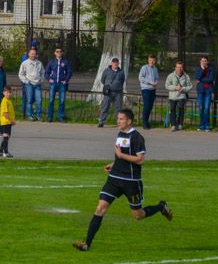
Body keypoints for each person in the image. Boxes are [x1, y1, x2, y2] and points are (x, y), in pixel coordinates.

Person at [73, 108, 173, 252]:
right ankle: (86, 244)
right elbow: (121, 154)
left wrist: (120, 156)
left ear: (129, 121)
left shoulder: (137, 137)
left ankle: (161, 207)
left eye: (121, 119)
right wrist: (114, 163)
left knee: (138, 215)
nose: (118, 121)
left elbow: (140, 160)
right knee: (100, 208)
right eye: (118, 118)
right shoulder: (120, 134)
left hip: (130, 181)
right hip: (114, 178)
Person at [97, 57, 125, 127]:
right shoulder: (106, 71)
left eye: (117, 63)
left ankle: (119, 123)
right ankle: (101, 122)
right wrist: (108, 85)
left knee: (118, 108)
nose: (115, 64)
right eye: (114, 63)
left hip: (118, 92)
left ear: (118, 63)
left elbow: (122, 80)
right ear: (112, 63)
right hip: (108, 92)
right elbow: (102, 80)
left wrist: (118, 86)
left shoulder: (121, 72)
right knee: (105, 107)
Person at [45, 46, 72, 122]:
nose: (59, 53)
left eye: (60, 51)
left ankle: (60, 117)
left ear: (62, 53)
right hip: (53, 83)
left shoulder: (66, 62)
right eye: (57, 51)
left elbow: (69, 72)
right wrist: (49, 79)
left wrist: (66, 80)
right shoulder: (51, 62)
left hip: (62, 84)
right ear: (55, 53)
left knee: (62, 101)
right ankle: (50, 117)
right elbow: (46, 72)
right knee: (51, 100)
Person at [165, 61, 193, 131]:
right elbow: (167, 86)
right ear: (175, 68)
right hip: (173, 96)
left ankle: (180, 124)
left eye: (181, 67)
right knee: (172, 110)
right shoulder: (170, 75)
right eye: (178, 67)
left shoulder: (186, 76)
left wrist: (183, 89)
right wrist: (175, 88)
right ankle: (173, 125)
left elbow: (190, 86)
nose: (179, 69)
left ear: (182, 68)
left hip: (182, 96)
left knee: (181, 109)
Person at [18, 47, 44, 121]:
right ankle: (30, 115)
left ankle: (38, 116)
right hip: (29, 84)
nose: (33, 55)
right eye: (32, 54)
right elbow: (20, 74)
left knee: (39, 101)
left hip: (37, 84)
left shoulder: (39, 63)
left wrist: (41, 80)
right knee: (29, 100)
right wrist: (26, 81)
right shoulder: (25, 63)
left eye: (34, 54)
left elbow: (43, 72)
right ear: (29, 54)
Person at [138, 54, 159, 129]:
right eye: (150, 60)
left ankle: (147, 121)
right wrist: (150, 82)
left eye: (153, 60)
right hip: (146, 89)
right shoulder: (144, 67)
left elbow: (157, 78)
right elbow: (140, 78)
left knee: (150, 106)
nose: (151, 62)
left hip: (153, 89)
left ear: (155, 61)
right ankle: (144, 123)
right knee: (146, 106)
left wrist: (156, 82)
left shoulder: (155, 69)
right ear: (148, 60)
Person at [195, 55, 216, 131]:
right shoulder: (198, 69)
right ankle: (201, 125)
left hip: (208, 90)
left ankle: (207, 125)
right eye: (202, 61)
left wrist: (201, 80)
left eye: (205, 61)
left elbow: (211, 79)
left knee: (207, 108)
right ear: (200, 62)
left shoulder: (211, 69)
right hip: (200, 90)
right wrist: (202, 70)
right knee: (201, 108)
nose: (204, 62)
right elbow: (197, 77)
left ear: (207, 61)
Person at [0, 85, 15, 158]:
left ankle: (0, 152)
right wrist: (11, 120)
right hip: (5, 122)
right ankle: (5, 152)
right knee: (6, 137)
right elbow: (5, 113)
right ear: (3, 93)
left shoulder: (8, 101)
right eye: (7, 92)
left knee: (6, 137)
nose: (9, 94)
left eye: (10, 92)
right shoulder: (4, 101)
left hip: (8, 122)